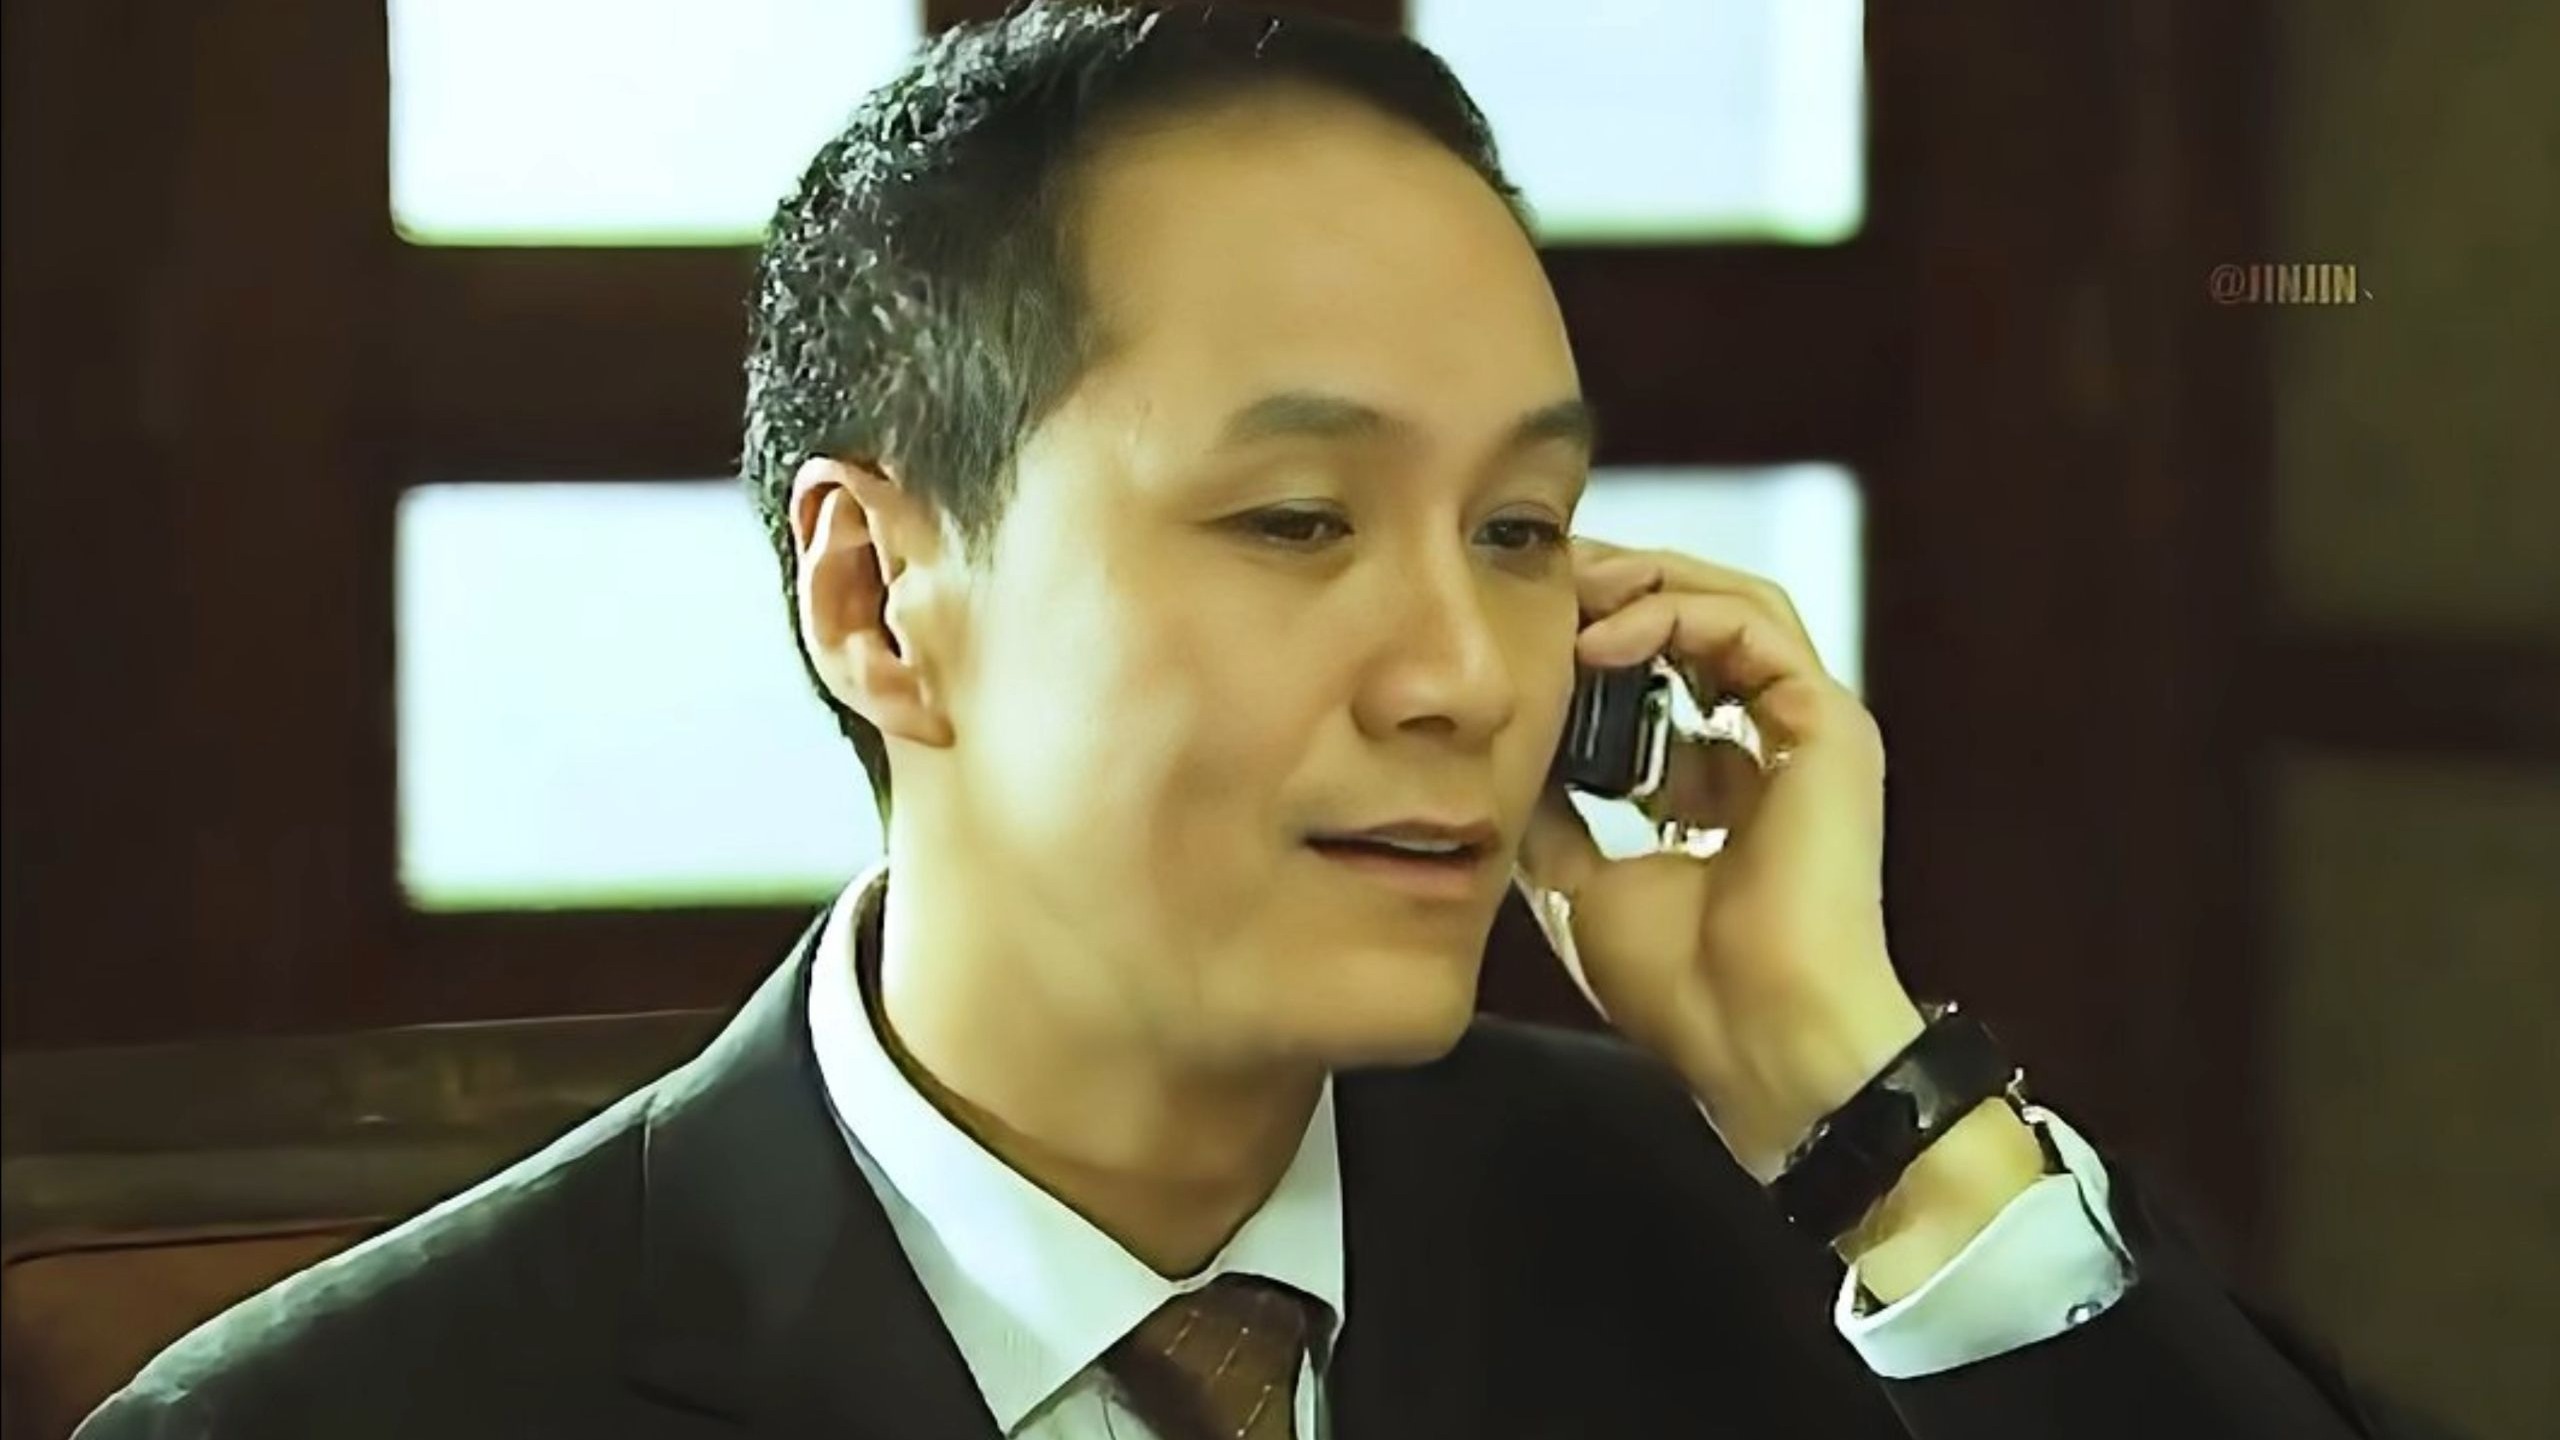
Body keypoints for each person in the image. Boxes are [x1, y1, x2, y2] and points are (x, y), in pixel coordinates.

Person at [80, 4, 2445, 1437]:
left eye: (1520, 531)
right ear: (876, 599)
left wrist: (1859, 1097)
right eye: (1298, 520)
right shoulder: (339, 1417)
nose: (1463, 675)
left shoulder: (1798, 1262)